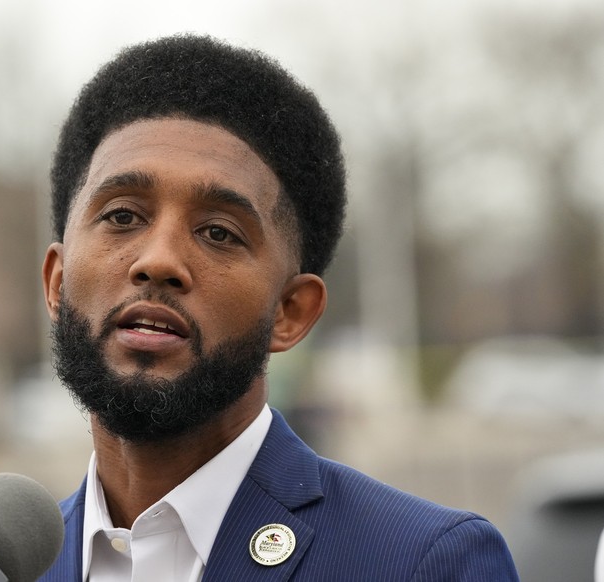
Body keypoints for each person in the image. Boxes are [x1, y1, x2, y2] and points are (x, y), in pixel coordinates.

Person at [38, 34, 518, 581]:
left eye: (218, 231)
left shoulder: (423, 562)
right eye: (122, 217)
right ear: (56, 283)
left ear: (291, 312)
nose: (158, 260)